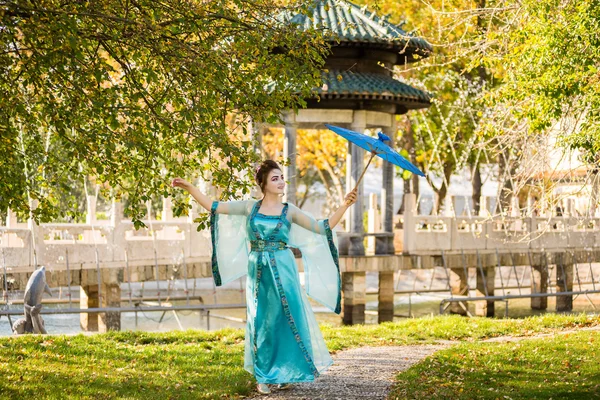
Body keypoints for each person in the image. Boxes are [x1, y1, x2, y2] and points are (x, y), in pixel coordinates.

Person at [172, 160, 357, 395]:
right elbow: (214, 207)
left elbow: (323, 227)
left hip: (284, 268)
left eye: (281, 178)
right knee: (261, 321)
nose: (281, 182)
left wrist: (344, 205)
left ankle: (284, 372)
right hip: (258, 270)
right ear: (263, 183)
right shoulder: (250, 207)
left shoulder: (289, 210)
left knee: (286, 319)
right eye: (275, 178)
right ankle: (263, 375)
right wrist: (190, 188)